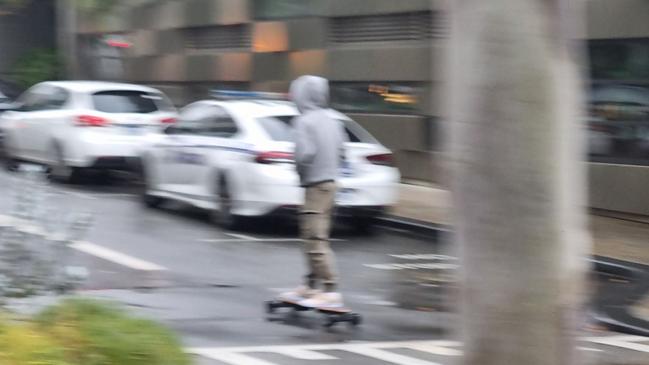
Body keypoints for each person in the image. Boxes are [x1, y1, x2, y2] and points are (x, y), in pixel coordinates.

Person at [279, 75, 347, 308]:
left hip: (314, 185)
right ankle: (310, 285)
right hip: (331, 184)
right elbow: (342, 151)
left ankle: (329, 289)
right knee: (317, 237)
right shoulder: (333, 120)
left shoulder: (304, 122)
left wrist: (300, 171)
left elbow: (304, 154)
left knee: (314, 239)